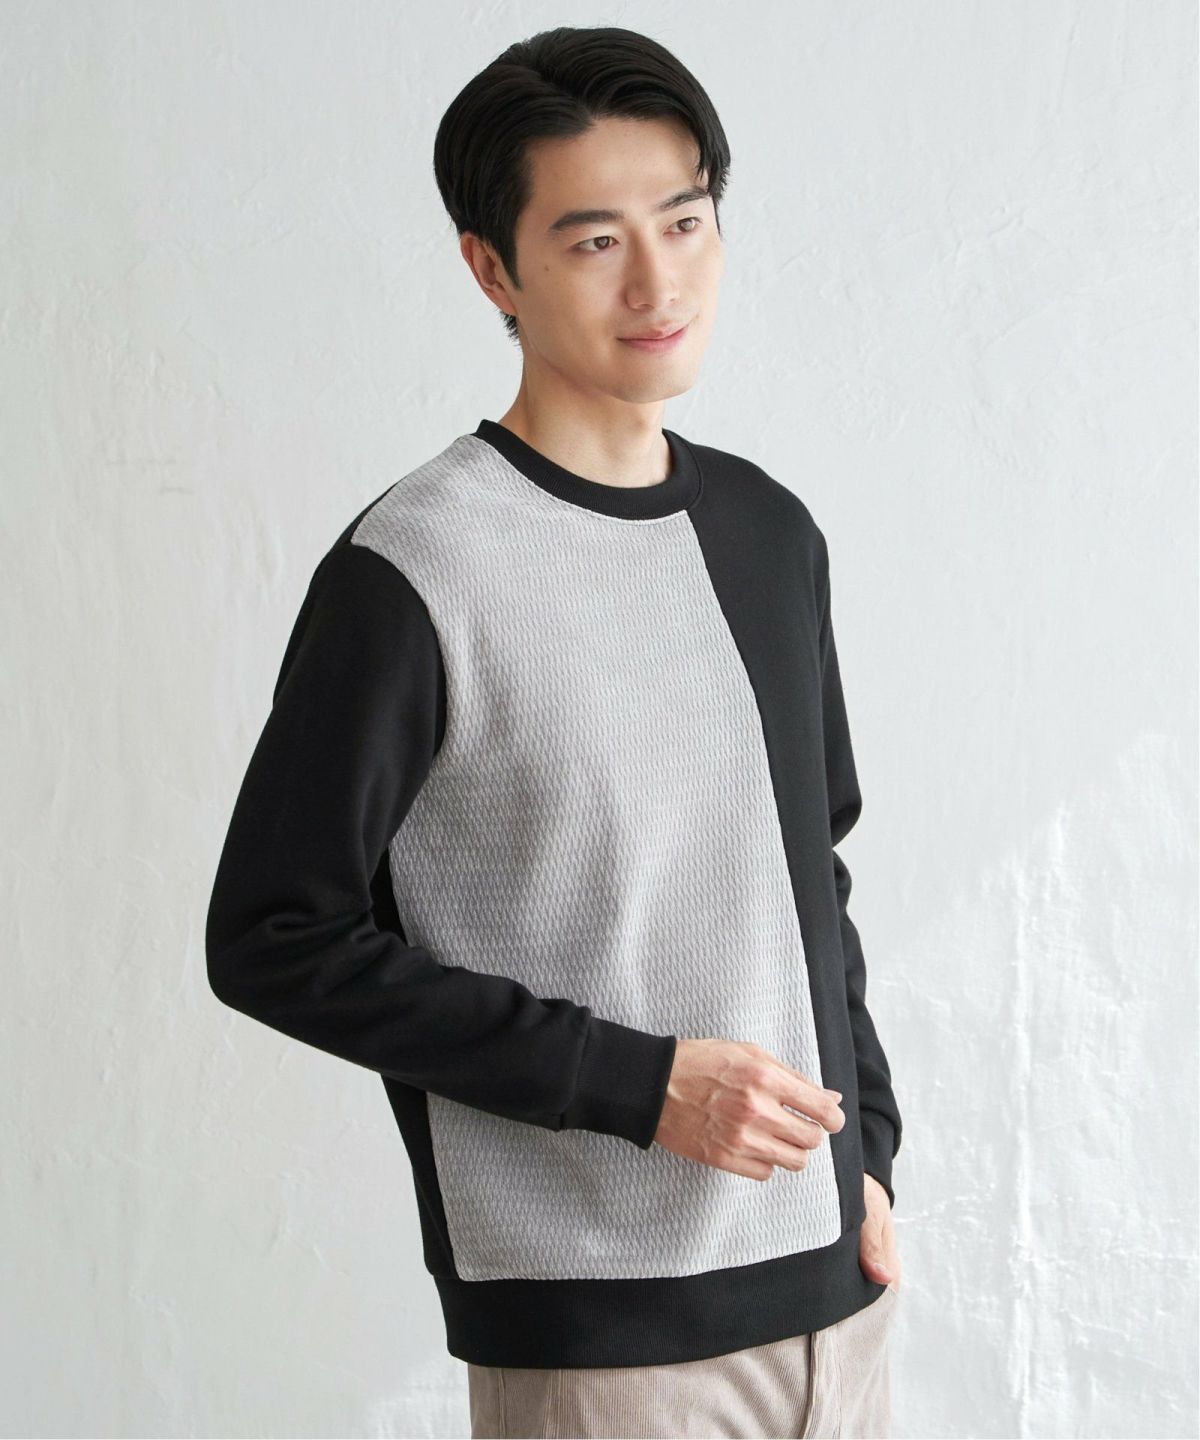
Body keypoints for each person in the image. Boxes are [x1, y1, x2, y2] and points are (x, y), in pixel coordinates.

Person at [206, 24, 903, 1439]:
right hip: (602, 1340)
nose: (658, 282)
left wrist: (873, 1156)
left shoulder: (769, 534)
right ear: (492, 269)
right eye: (594, 241)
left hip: (841, 1301)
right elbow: (274, 936)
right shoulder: (417, 569)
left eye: (685, 221)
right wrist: (641, 1087)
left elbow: (806, 881)